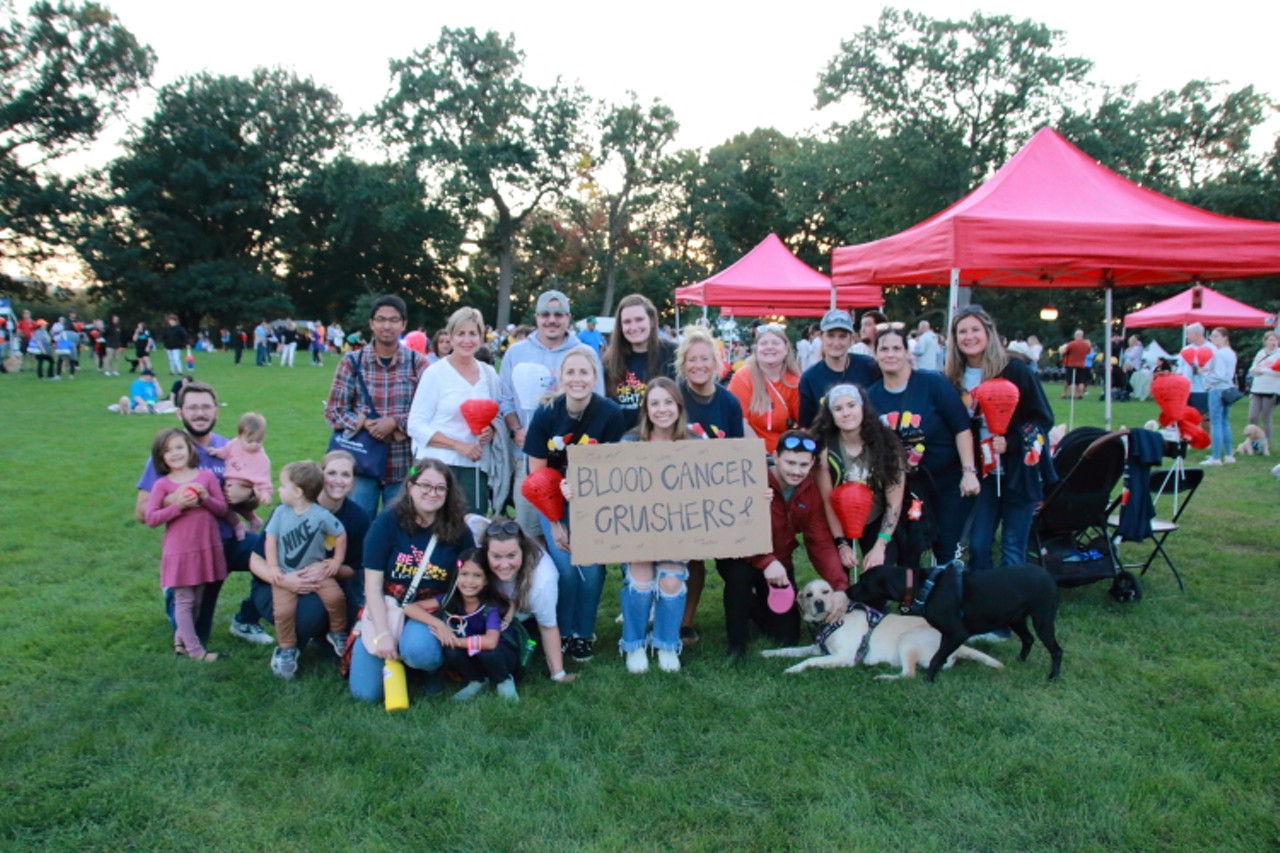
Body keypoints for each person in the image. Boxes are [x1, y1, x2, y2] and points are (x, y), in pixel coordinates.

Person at [134, 381, 267, 647]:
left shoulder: (230, 448)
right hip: (193, 550)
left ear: (216, 411)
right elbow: (141, 511)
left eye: (206, 407)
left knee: (277, 553)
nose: (200, 413)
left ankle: (246, 619)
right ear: (180, 412)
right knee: (194, 631)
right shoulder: (169, 453)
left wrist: (248, 498)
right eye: (192, 407)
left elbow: (250, 502)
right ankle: (174, 594)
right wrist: (178, 497)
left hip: (231, 541)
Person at [523, 345, 625, 662]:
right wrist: (554, 523)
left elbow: (616, 469)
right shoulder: (546, 413)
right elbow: (536, 475)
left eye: (584, 372)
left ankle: (584, 632)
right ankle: (564, 631)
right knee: (566, 568)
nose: (577, 378)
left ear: (594, 377)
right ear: (561, 376)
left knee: (591, 568)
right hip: (552, 500)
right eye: (571, 372)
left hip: (596, 501)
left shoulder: (610, 413)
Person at [349, 459, 476, 702]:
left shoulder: (458, 530)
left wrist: (440, 613)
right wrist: (383, 633)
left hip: (429, 609)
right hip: (388, 605)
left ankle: (430, 668)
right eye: (425, 485)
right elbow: (372, 587)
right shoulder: (386, 523)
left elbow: (469, 580)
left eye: (440, 488)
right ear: (410, 486)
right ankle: (397, 651)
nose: (432, 493)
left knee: (420, 652)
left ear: (448, 493)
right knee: (365, 695)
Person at [944, 306, 1054, 572]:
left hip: (1019, 472)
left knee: (1013, 546)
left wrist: (1013, 442)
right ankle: (984, 602)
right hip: (983, 475)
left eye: (975, 330)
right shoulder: (953, 379)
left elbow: (1043, 420)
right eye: (962, 332)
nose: (969, 337)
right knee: (979, 545)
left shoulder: (1015, 370)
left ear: (988, 333)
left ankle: (1011, 609)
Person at [867, 326, 979, 567]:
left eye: (897, 348)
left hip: (947, 480)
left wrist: (969, 472)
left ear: (908, 353)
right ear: (875, 354)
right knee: (912, 545)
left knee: (946, 546)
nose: (890, 354)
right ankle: (914, 599)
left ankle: (948, 597)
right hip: (908, 487)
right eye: (883, 349)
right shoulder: (872, 396)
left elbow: (961, 427)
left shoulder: (932, 384)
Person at [499, 288, 604, 538]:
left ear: (568, 317)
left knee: (572, 530)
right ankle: (534, 576)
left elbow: (597, 402)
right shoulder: (516, 352)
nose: (552, 320)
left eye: (558, 314)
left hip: (571, 460)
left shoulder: (584, 353)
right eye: (545, 314)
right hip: (528, 457)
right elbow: (504, 400)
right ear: (536, 317)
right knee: (529, 529)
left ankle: (568, 577)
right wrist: (516, 430)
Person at [614, 378, 695, 674]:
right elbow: (608, 487)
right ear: (646, 409)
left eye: (668, 402)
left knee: (671, 581)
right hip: (638, 530)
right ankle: (634, 643)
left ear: (679, 406)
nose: (662, 409)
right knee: (641, 581)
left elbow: (717, 487)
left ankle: (666, 643)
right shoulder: (630, 442)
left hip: (678, 532)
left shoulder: (696, 444)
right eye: (655, 403)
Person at [674, 325, 746, 645]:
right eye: (692, 359)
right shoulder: (673, 397)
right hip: (678, 492)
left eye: (705, 359)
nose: (699, 365)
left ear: (716, 363)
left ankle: (744, 618)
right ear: (682, 363)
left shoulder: (729, 403)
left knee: (733, 565)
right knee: (689, 558)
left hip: (718, 495)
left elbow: (737, 451)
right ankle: (683, 623)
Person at [324, 295, 427, 516]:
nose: (387, 326)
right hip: (361, 465)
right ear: (371, 323)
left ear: (403, 324)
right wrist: (364, 423)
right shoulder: (352, 362)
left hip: (404, 466)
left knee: (401, 530)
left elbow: (431, 414)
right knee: (357, 531)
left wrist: (395, 422)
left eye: (393, 320)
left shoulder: (417, 363)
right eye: (380, 319)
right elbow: (333, 412)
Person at [407, 307, 503, 515]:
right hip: (437, 464)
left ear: (481, 337)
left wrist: (491, 431)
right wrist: (458, 445)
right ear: (450, 337)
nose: (467, 340)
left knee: (472, 528)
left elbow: (496, 416)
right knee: (433, 526)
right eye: (461, 334)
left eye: (473, 334)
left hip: (476, 466)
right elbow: (415, 425)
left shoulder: (489, 374)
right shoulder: (435, 374)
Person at [144, 428, 229, 662]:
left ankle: (181, 639)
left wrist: (204, 499)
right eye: (167, 450)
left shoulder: (206, 478)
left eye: (179, 447)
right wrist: (178, 505)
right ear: (161, 457)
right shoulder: (162, 484)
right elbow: (151, 518)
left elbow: (222, 509)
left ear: (190, 449)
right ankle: (196, 652)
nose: (175, 453)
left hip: (205, 546)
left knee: (199, 597)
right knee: (184, 599)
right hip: (179, 550)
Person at [262, 461, 348, 679]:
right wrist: (272, 567)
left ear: (298, 492)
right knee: (283, 612)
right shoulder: (281, 513)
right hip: (285, 572)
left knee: (336, 597)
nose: (279, 490)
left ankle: (337, 633)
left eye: (283, 486)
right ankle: (287, 649)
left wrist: (336, 561)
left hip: (315, 571)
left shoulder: (321, 515)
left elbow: (340, 534)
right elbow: (270, 539)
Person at [752, 430, 845, 632]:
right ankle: (737, 639)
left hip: (781, 566)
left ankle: (758, 605)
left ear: (812, 464)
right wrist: (766, 561)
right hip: (744, 561)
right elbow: (738, 532)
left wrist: (840, 587)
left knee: (787, 634)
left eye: (803, 465)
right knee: (738, 581)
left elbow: (819, 541)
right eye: (790, 463)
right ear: (775, 457)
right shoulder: (754, 479)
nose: (796, 471)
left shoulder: (810, 490)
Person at [812, 384, 906, 579]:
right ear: (831, 414)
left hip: (876, 517)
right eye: (838, 409)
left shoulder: (888, 446)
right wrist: (842, 544)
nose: (846, 413)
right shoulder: (825, 449)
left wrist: (881, 545)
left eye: (851, 405)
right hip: (837, 518)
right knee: (837, 577)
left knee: (878, 576)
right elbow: (828, 502)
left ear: (862, 407)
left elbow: (894, 503)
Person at [478, 518, 576, 684]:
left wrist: (559, 674)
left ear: (522, 551)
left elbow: (548, 628)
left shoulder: (543, 581)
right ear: (485, 551)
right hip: (495, 603)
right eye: (496, 556)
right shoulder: (477, 550)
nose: (504, 564)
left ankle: (526, 634)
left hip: (523, 609)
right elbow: (469, 518)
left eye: (511, 555)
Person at [415, 549, 520, 701]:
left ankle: (504, 681)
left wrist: (455, 641)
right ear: (456, 575)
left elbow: (491, 642)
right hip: (474, 654)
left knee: (483, 649)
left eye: (477, 576)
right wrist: (438, 624)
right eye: (464, 574)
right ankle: (477, 680)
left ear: (486, 580)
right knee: (452, 651)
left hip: (501, 657)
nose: (469, 582)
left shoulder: (491, 607)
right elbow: (411, 607)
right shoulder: (449, 599)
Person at [603, 293, 677, 430]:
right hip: (621, 443)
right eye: (627, 322)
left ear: (652, 321)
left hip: (663, 441)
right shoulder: (609, 361)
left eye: (639, 319)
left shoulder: (672, 354)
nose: (633, 327)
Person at [798, 309, 881, 427]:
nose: (836, 343)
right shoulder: (810, 378)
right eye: (831, 336)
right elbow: (806, 425)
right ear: (821, 337)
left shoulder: (868, 366)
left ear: (850, 339)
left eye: (842, 337)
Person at [727, 323, 801, 454]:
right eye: (764, 343)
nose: (769, 347)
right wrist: (764, 457)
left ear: (786, 349)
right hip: (749, 452)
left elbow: (803, 424)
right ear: (756, 349)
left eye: (775, 343)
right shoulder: (742, 378)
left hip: (785, 454)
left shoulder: (795, 382)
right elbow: (740, 422)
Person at [1202, 327, 1239, 466]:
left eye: (1216, 336)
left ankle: (1216, 457)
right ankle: (1228, 454)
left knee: (1216, 422)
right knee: (1224, 421)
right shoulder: (1230, 353)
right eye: (1212, 336)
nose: (1213, 339)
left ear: (1224, 337)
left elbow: (1219, 375)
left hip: (1217, 389)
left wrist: (1206, 376)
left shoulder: (1219, 354)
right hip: (1227, 389)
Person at [1247, 331, 1280, 446]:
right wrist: (1254, 371)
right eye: (1271, 340)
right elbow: (1253, 367)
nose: (1274, 342)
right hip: (1257, 388)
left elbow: (1277, 372)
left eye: (1275, 340)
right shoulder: (1260, 353)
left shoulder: (1278, 354)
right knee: (1253, 416)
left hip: (1271, 389)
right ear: (1265, 341)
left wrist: (1264, 370)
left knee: (1266, 416)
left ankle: (1266, 443)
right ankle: (1252, 440)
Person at [1060, 329, 1091, 400]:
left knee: (1071, 381)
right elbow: (1088, 352)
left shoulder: (1072, 343)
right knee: (1081, 381)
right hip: (1082, 365)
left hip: (1072, 365)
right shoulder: (1086, 345)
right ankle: (1080, 394)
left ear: (1076, 336)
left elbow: (1063, 351)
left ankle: (1073, 394)